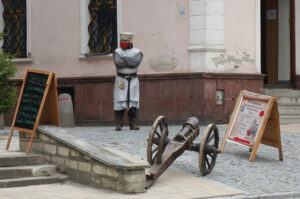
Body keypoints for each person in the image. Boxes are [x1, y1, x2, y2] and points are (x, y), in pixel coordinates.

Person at [113, 32, 143, 131]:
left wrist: (125, 60)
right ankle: (119, 124)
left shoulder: (137, 52)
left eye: (124, 41)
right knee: (120, 101)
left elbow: (136, 62)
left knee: (133, 102)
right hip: (121, 80)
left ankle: (132, 123)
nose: (122, 42)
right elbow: (118, 62)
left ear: (130, 41)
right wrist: (130, 61)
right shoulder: (117, 52)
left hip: (133, 80)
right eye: (121, 40)